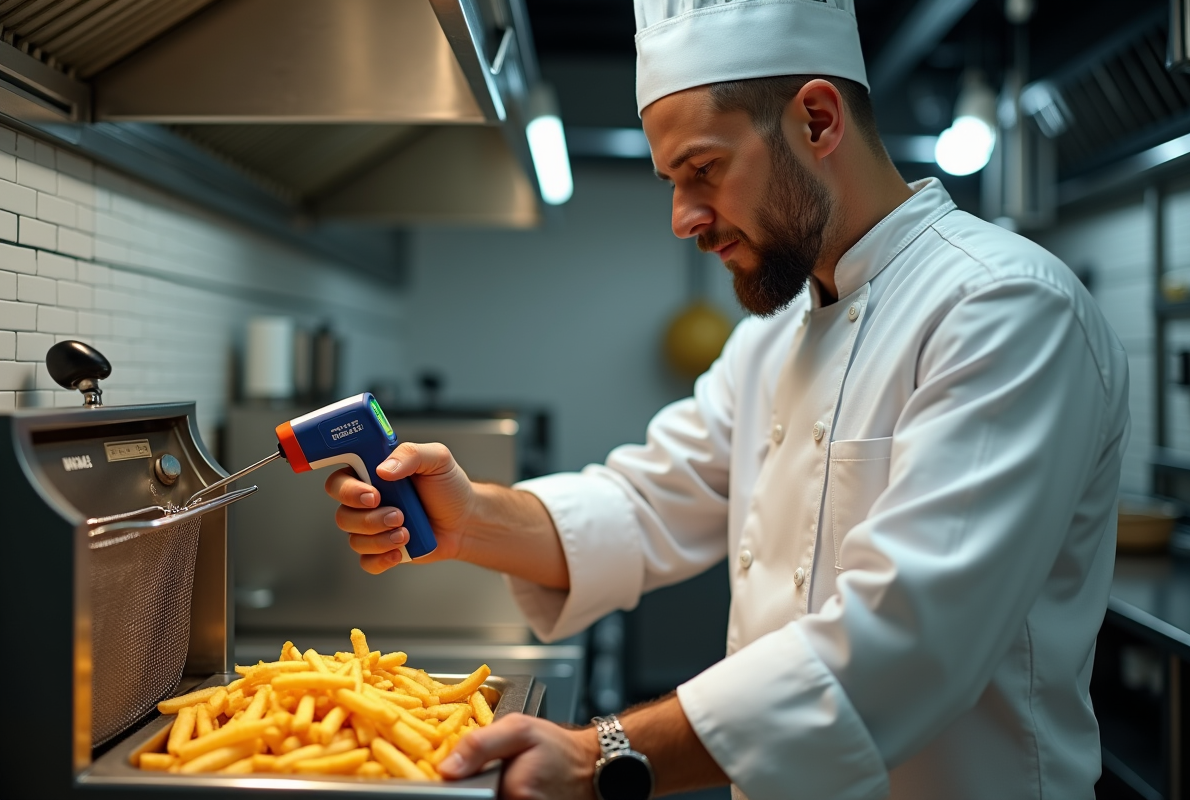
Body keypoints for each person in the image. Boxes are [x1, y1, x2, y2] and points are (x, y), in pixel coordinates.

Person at [326, 1, 1130, 798]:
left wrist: (602, 753)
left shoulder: (1004, 308)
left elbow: (911, 640)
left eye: (703, 171)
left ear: (817, 121)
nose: (683, 219)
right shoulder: (771, 341)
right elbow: (646, 504)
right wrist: (471, 520)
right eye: (672, 182)